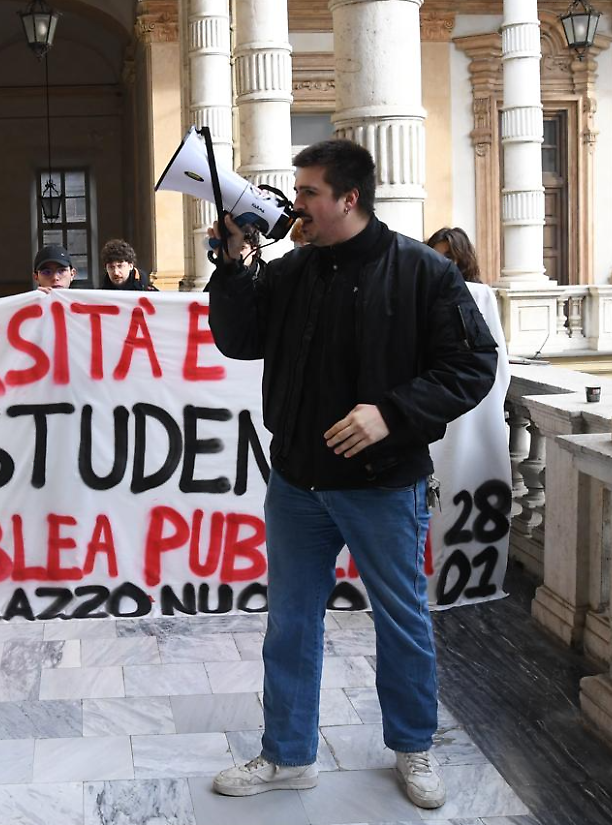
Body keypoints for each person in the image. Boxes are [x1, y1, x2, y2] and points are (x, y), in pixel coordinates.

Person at [206, 139, 498, 810]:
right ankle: (287, 755)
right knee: (291, 622)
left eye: (308, 192)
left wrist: (391, 413)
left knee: (400, 620)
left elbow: (471, 366)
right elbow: (239, 338)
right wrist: (233, 263)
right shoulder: (291, 271)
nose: (296, 203)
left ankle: (413, 746)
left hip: (383, 483)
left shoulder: (424, 273)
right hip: (297, 483)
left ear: (348, 198)